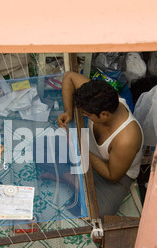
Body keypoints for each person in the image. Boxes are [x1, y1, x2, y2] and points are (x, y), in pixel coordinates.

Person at [58, 71, 143, 217]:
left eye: (87, 115)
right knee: (39, 149)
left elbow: (113, 175)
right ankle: (77, 181)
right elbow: (69, 77)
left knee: (99, 213)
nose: (84, 116)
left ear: (103, 115)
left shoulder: (126, 139)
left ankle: (74, 181)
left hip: (114, 172)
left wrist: (81, 149)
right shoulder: (102, 100)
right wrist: (68, 111)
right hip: (88, 150)